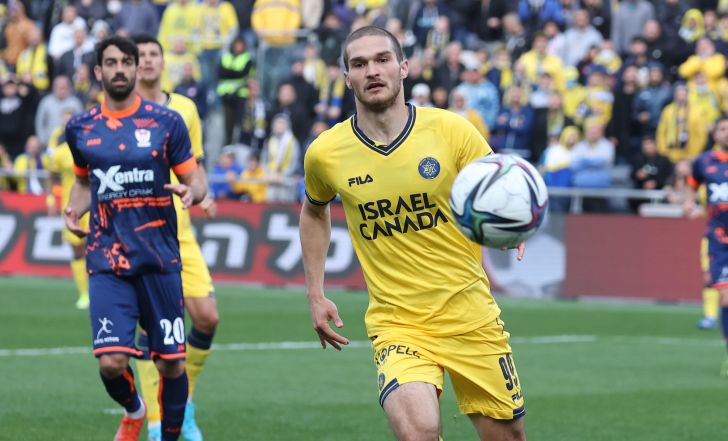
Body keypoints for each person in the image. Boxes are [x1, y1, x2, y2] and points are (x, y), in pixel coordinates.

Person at [300, 26, 527, 441]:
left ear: (403, 67)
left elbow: (497, 186)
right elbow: (314, 212)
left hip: (470, 316)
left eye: (382, 59)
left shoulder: (451, 130)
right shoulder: (325, 153)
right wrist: (315, 294)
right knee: (418, 432)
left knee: (507, 436)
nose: (372, 70)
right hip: (397, 324)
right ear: (347, 78)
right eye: (359, 64)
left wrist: (513, 225)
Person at [63, 35, 206, 441]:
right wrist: (74, 209)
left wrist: (192, 192)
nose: (121, 69)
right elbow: (84, 182)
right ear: (98, 71)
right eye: (112, 62)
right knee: (111, 363)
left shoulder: (167, 122)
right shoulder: (80, 128)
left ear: (135, 67)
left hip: (159, 258)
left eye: (127, 61)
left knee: (171, 364)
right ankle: (135, 410)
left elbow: (194, 178)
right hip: (107, 258)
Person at [133, 34, 220, 441]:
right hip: (138, 230)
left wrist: (203, 193)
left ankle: (183, 405)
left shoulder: (185, 108)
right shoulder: (121, 108)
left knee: (206, 317)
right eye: (141, 55)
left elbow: (195, 166)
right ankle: (155, 420)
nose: (148, 61)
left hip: (179, 230)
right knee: (150, 326)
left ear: (163, 61)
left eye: (154, 54)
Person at [684, 116, 728, 376]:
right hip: (720, 239)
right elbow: (691, 184)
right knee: (726, 297)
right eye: (723, 129)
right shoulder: (704, 162)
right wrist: (688, 203)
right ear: (715, 133)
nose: (727, 133)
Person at [47, 109, 90, 309]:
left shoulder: (91, 146)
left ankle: (100, 290)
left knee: (98, 249)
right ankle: (84, 294)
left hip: (94, 204)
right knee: (77, 249)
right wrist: (50, 200)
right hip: (71, 207)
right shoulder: (60, 153)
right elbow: (50, 177)